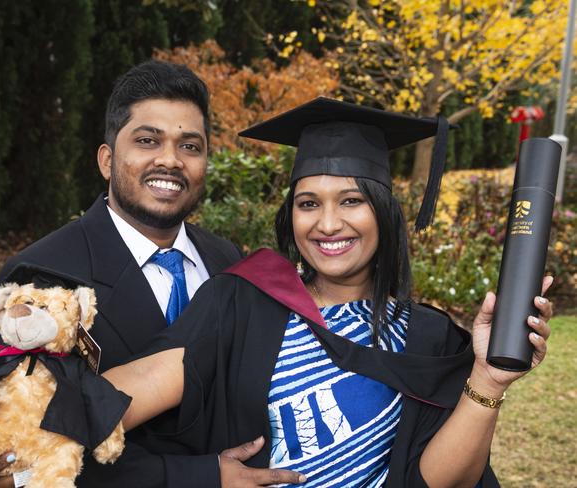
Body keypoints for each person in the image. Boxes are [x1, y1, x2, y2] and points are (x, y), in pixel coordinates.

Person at [103, 97, 553, 487]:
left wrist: (488, 379)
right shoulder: (245, 300)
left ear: (383, 212)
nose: (328, 223)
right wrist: (38, 378)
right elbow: (129, 393)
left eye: (352, 201)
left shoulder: (426, 336)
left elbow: (434, 480)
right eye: (308, 203)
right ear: (291, 216)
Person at [0, 60, 302, 488]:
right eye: (147, 140)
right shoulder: (42, 278)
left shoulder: (228, 261)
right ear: (107, 159)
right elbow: (21, 460)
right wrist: (203, 476)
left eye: (190, 146)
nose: (170, 161)